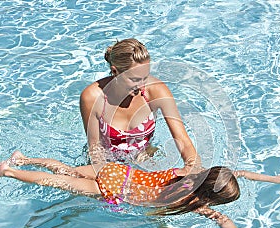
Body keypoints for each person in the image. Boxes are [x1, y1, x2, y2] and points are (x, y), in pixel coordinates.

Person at [0, 151, 280, 228]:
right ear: (210, 199)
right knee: (61, 182)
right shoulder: (194, 202)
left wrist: (275, 179)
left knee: (65, 170)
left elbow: (238, 172)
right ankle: (9, 172)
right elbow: (225, 221)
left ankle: (23, 158)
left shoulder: (190, 173)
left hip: (118, 172)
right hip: (117, 193)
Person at [80, 38, 201, 175]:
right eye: (135, 79)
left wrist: (194, 168)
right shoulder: (92, 97)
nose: (141, 85)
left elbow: (183, 139)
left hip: (144, 158)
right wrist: (110, 179)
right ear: (115, 72)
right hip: (107, 164)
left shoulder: (155, 91)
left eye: (145, 77)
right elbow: (96, 151)